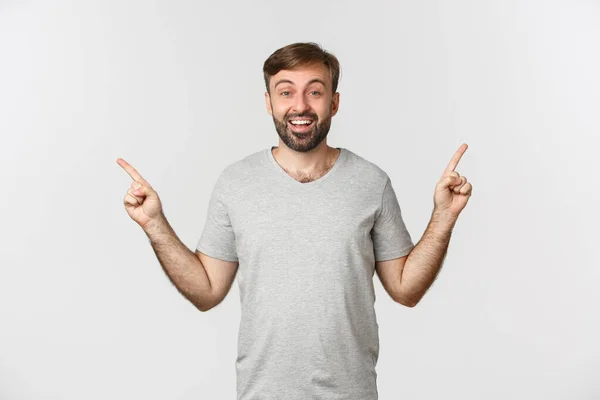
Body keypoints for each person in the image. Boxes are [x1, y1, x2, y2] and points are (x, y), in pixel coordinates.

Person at [117, 42, 472, 400]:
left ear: (333, 102)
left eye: (314, 92)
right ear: (269, 102)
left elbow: (406, 290)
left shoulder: (371, 183)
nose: (300, 105)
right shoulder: (236, 184)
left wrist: (444, 216)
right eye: (286, 92)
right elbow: (207, 290)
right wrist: (154, 224)